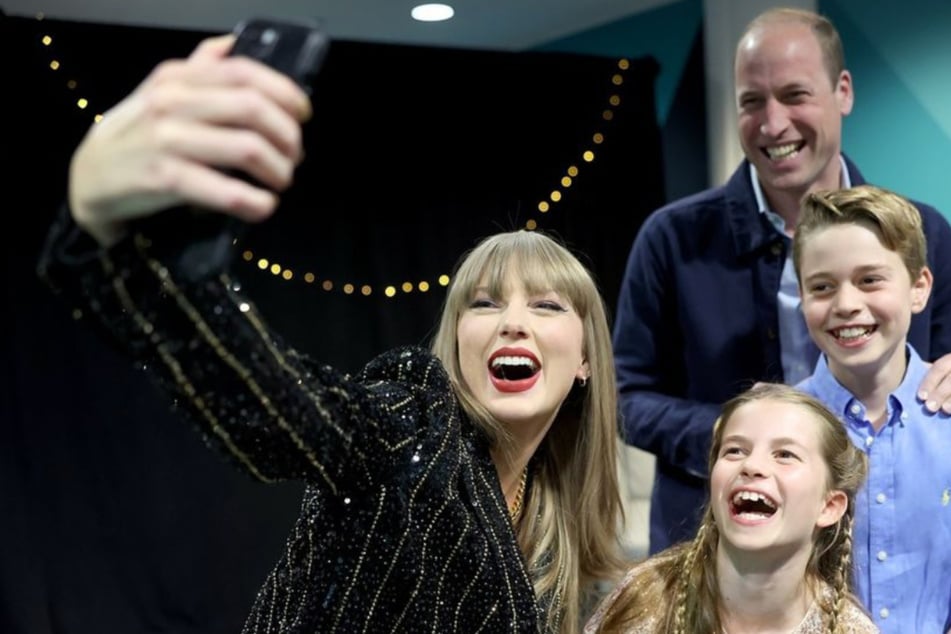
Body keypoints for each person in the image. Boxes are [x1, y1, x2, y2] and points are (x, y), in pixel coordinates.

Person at [36, 34, 627, 633]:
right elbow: (282, 411)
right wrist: (109, 237)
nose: (513, 322)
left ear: (585, 358)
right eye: (484, 303)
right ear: (454, 343)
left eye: (547, 306)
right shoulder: (413, 422)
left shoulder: (547, 507)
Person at [612, 6, 951, 554]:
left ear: (843, 91)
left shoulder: (925, 231)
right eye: (752, 102)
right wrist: (748, 441)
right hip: (711, 546)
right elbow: (625, 396)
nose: (772, 124)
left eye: (794, 95)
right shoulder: (671, 238)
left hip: (891, 546)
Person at [584, 382, 876, 634]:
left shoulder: (850, 628)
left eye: (785, 455)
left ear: (830, 506)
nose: (751, 466)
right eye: (735, 450)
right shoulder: (644, 600)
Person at [793, 185, 951, 633]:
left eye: (870, 280)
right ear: (802, 297)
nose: (846, 305)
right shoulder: (780, 427)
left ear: (919, 288)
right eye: (822, 287)